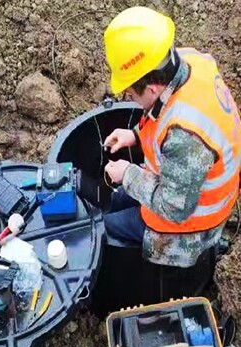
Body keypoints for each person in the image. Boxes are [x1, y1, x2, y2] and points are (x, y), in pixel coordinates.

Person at [102, 6, 241, 267]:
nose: (130, 100)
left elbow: (174, 209)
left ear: (152, 88)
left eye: (131, 95)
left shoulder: (185, 137)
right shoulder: (188, 62)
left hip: (193, 223)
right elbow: (164, 117)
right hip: (186, 183)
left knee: (105, 228)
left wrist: (128, 174)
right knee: (118, 199)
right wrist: (133, 135)